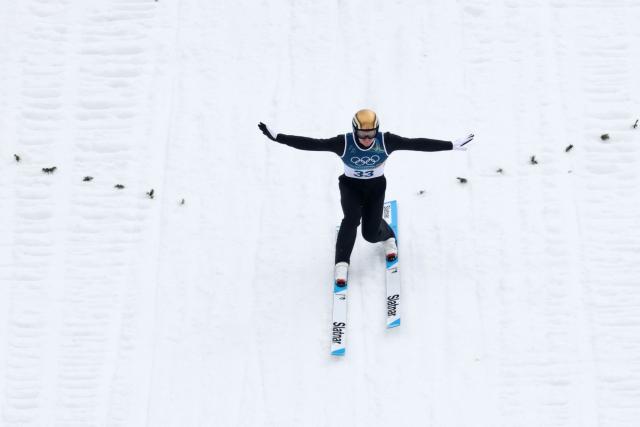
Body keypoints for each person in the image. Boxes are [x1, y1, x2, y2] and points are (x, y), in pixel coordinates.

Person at [258, 109, 474, 284]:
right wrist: (279, 138)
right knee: (351, 219)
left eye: (371, 134)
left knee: (370, 234)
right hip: (350, 187)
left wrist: (451, 145)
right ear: (355, 131)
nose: (367, 139)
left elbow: (416, 143)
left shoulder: (386, 141)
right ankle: (341, 264)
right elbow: (313, 144)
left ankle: (387, 235)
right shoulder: (343, 143)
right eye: (362, 135)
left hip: (375, 188)